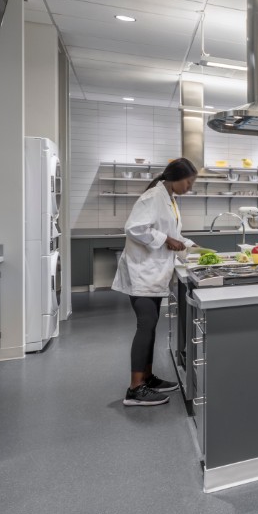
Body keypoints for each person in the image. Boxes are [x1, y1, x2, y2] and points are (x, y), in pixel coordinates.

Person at [111, 158, 199, 406]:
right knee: (146, 325)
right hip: (142, 272)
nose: (189, 187)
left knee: (150, 326)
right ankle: (135, 388)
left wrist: (193, 247)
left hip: (152, 273)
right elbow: (134, 228)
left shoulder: (169, 199)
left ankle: (147, 378)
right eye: (188, 182)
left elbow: (175, 234)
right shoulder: (153, 197)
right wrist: (165, 239)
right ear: (175, 177)